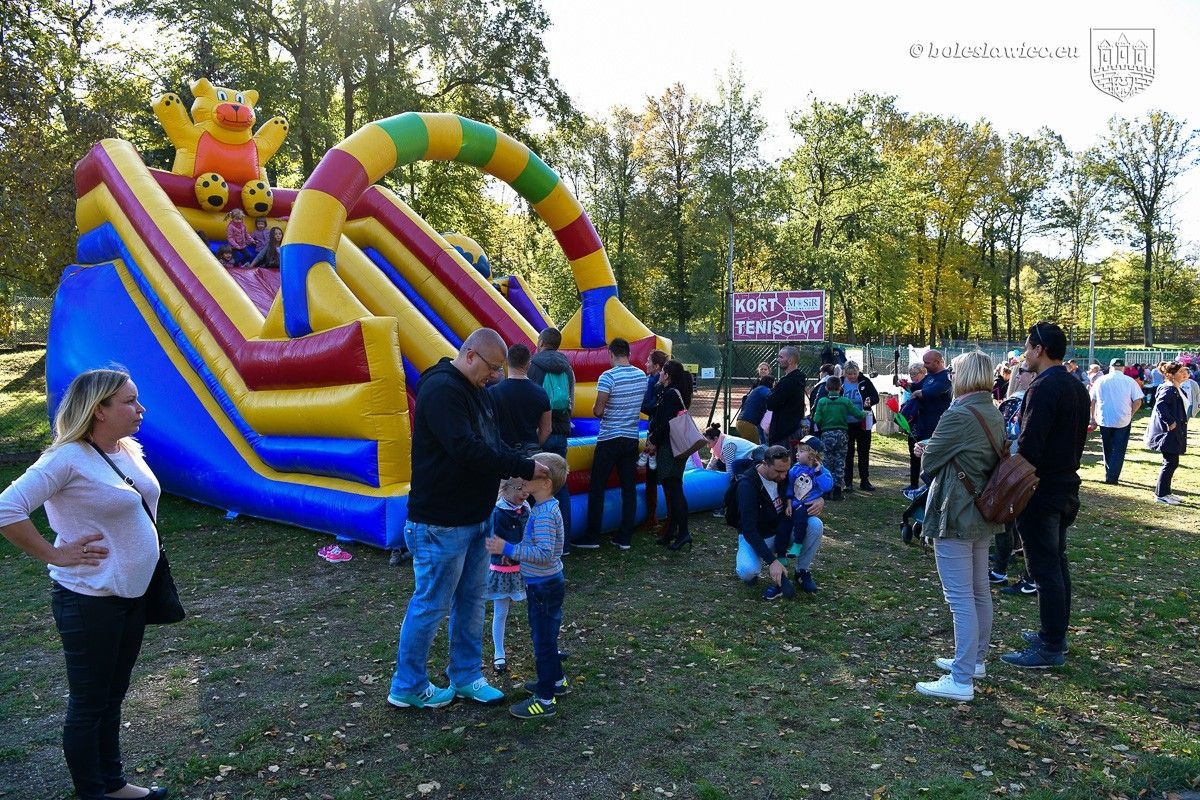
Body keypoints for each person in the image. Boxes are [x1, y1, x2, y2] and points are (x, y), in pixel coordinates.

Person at [0, 369, 169, 800]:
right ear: (99, 410)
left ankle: (112, 784)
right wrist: (56, 554)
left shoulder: (124, 449)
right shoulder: (66, 458)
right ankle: (93, 792)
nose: (140, 408)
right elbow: (7, 508)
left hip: (131, 594)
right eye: (130, 401)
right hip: (89, 599)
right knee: (90, 703)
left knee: (112, 696)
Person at [388, 329, 548, 710]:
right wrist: (523, 465)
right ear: (471, 355)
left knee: (473, 600)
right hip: (441, 522)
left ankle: (466, 675)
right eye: (492, 368)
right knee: (431, 604)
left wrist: (519, 458)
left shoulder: (478, 392)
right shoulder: (443, 390)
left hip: (477, 517)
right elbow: (465, 449)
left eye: (498, 370)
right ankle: (407, 684)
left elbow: (492, 444)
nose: (495, 376)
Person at [912, 352, 1005, 702]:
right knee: (978, 591)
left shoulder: (960, 413)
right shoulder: (990, 410)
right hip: (982, 510)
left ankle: (962, 678)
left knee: (960, 598)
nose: (950, 375)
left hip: (956, 510)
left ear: (963, 375)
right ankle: (973, 661)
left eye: (954, 370)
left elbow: (932, 461)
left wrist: (925, 448)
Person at [1000, 322, 1089, 670]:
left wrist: (1010, 457)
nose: (1024, 354)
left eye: (1027, 347)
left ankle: (1051, 645)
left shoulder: (1043, 387)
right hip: (1066, 484)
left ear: (1040, 349)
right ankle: (1055, 634)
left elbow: (1032, 445)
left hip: (1042, 489)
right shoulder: (1075, 385)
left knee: (1045, 568)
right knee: (1057, 563)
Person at [485, 452, 569, 719]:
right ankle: (557, 681)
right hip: (547, 582)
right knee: (547, 636)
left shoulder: (542, 515)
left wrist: (508, 547)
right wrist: (518, 549)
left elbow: (544, 553)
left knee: (543, 642)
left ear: (544, 483)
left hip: (544, 586)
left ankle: (545, 699)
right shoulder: (547, 506)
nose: (524, 481)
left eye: (530, 477)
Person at [582, 338, 645, 550]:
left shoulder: (608, 376)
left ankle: (592, 536)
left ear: (611, 354)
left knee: (597, 486)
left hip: (609, 438)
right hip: (631, 437)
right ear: (627, 353)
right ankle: (624, 536)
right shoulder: (640, 375)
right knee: (628, 487)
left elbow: (598, 411)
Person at [527, 327, 576, 543]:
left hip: (540, 433)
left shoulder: (534, 366)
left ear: (541, 342)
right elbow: (571, 401)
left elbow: (529, 399)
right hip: (561, 431)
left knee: (533, 484)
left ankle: (535, 538)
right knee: (560, 486)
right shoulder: (567, 368)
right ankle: (562, 541)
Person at [646, 360, 695, 551]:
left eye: (662, 372)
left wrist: (653, 440)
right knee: (673, 489)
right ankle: (672, 531)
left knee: (674, 490)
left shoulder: (670, 395)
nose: (659, 375)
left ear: (666, 375)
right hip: (672, 447)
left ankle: (683, 532)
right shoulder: (672, 393)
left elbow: (666, 424)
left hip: (670, 449)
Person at [487, 477, 531, 674]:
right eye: (520, 489)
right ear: (505, 489)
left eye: (526, 488)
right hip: (504, 569)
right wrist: (502, 554)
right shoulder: (497, 512)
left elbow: (529, 532)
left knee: (537, 608)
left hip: (525, 565)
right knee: (501, 611)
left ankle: (544, 645)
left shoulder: (526, 508)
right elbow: (492, 538)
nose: (525, 492)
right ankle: (499, 652)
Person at [783, 436, 833, 593]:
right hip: (794, 506)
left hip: (805, 507)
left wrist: (818, 472)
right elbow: (789, 487)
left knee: (806, 520)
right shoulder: (794, 469)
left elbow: (827, 487)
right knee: (785, 525)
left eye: (801, 451)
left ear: (812, 455)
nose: (796, 454)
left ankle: (801, 567)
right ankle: (780, 561)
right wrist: (789, 502)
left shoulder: (822, 471)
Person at [487, 343, 551, 455]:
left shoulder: (492, 392)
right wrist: (533, 445)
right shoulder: (541, 393)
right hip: (530, 457)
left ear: (506, 362)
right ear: (528, 365)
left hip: (502, 454)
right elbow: (547, 429)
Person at [1089, 357, 1143, 485]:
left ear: (1110, 367)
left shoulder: (1101, 380)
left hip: (1104, 418)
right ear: (1123, 368)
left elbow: (1092, 400)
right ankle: (1112, 476)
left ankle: (1109, 473)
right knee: (1119, 449)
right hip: (1123, 418)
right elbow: (1138, 401)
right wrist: (1131, 413)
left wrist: (1092, 417)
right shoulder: (1129, 381)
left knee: (1107, 447)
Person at [811, 376, 865, 501]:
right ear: (841, 388)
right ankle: (837, 490)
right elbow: (858, 414)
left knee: (827, 461)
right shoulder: (845, 401)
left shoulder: (822, 401)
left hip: (827, 434)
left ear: (826, 388)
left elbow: (816, 419)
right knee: (840, 461)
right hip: (842, 434)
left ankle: (826, 489)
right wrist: (865, 413)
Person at [1145, 361, 1190, 505]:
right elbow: (1160, 405)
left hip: (1174, 431)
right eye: (1180, 371)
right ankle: (1160, 494)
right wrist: (1170, 422)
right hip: (1167, 432)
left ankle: (1166, 492)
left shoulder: (1176, 388)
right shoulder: (1168, 389)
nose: (1184, 374)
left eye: (1184, 371)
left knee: (1171, 462)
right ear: (1170, 375)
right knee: (1170, 462)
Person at [639, 349, 669, 528]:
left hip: (655, 431)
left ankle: (651, 517)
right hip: (664, 432)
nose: (646, 364)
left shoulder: (652, 381)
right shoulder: (669, 382)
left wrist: (653, 405)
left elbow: (647, 407)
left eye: (649, 361)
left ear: (657, 366)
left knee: (652, 476)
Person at [841, 360, 879, 492]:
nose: (852, 376)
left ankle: (865, 481)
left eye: (854, 373)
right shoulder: (840, 382)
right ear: (845, 373)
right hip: (846, 424)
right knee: (848, 453)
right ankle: (848, 482)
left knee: (863, 452)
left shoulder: (865, 381)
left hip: (863, 423)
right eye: (849, 374)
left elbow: (876, 397)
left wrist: (870, 400)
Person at [765, 345, 808, 446]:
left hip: (784, 434)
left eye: (781, 357)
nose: (777, 359)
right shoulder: (796, 379)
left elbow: (771, 403)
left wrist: (772, 392)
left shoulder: (788, 382)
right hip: (792, 430)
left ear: (790, 360)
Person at [902, 362, 928, 497]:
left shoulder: (927, 386)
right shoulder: (911, 388)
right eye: (911, 374)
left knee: (925, 455)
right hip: (913, 426)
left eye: (915, 374)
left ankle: (927, 483)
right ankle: (913, 482)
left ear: (923, 373)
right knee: (913, 455)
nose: (913, 377)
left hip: (924, 425)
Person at [735, 375, 773, 443]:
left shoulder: (757, 389)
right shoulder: (763, 389)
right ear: (771, 382)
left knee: (753, 445)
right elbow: (772, 395)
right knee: (757, 448)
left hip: (742, 422)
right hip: (748, 423)